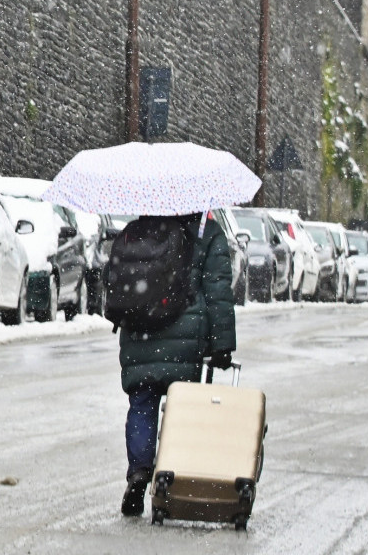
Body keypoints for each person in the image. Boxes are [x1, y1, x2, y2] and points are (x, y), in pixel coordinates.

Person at [118, 211, 237, 516]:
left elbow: (118, 280)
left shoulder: (137, 229)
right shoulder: (206, 233)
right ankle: (170, 479)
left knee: (142, 405)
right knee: (181, 411)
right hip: (185, 337)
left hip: (141, 332)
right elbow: (218, 292)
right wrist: (222, 344)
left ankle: (139, 472)